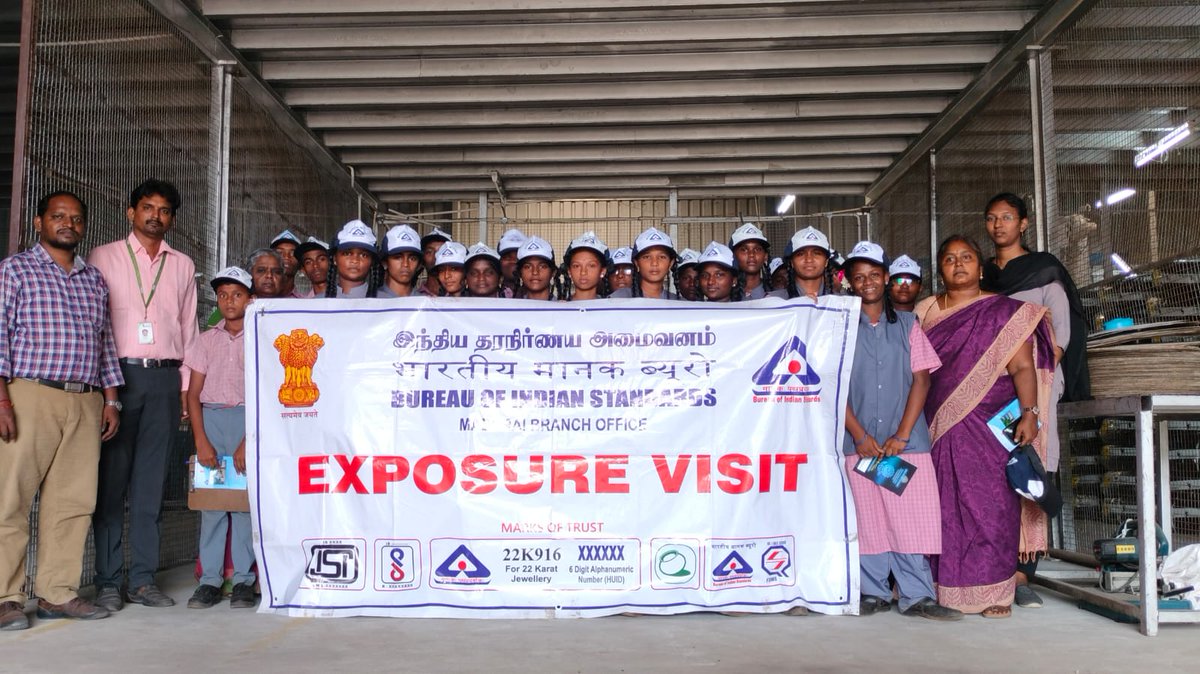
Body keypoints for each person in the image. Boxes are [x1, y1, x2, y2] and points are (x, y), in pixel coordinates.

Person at [914, 235, 1055, 619]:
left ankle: (995, 592)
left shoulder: (1004, 313)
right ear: (939, 269)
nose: (958, 264)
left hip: (992, 425)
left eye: (966, 257)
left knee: (992, 504)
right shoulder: (925, 311)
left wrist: (1029, 413)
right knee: (943, 506)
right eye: (949, 259)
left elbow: (1023, 367)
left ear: (980, 266)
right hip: (938, 424)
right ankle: (943, 588)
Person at [0, 192, 123, 630]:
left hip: (86, 400)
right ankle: (5, 597)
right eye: (58, 216)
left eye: (75, 218)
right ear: (39, 222)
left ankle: (57, 592)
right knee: (11, 498)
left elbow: (105, 343)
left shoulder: (94, 280)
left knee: (73, 502)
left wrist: (110, 399)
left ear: (84, 226)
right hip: (30, 394)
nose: (68, 223)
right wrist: (2, 400)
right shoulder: (15, 271)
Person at [89, 178, 199, 611]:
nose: (156, 215)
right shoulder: (103, 257)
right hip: (118, 378)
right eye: (148, 207)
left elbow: (189, 330)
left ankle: (142, 579)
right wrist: (103, 390)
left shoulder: (184, 266)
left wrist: (187, 392)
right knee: (111, 483)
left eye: (165, 210)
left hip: (165, 381)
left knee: (151, 484)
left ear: (173, 218)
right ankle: (107, 581)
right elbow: (94, 326)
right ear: (130, 212)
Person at [980, 191, 1091, 608]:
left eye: (1007, 217)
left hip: (1039, 378)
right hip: (991, 384)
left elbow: (1061, 334)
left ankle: (1027, 567)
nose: (998, 226)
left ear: (1023, 223)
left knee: (1035, 459)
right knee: (994, 466)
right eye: (991, 219)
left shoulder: (1045, 271)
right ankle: (996, 559)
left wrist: (1038, 377)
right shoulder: (983, 275)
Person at [840, 241, 961, 622]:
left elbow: (921, 382)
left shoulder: (909, 325)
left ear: (886, 278)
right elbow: (833, 384)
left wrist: (902, 435)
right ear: (849, 283)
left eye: (874, 275)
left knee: (911, 517)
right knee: (867, 518)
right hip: (859, 443)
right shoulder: (839, 328)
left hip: (904, 444)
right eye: (858, 277)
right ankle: (872, 591)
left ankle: (917, 595)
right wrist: (858, 434)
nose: (868, 283)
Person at [183, 266, 256, 610]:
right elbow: (193, 394)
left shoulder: (260, 337)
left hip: (247, 422)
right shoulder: (206, 339)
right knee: (212, 505)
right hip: (211, 420)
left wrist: (248, 441)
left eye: (237, 294)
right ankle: (209, 581)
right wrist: (201, 439)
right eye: (223, 295)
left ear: (250, 299)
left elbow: (265, 392)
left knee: (243, 507)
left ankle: (243, 580)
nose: (229, 301)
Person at [769, 226, 838, 301]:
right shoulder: (773, 301)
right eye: (800, 254)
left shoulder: (841, 303)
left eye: (817, 253)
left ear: (826, 261)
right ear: (792, 262)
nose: (809, 259)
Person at [609, 227, 678, 299]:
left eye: (662, 257)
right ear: (636, 263)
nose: (654, 263)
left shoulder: (679, 303)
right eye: (647, 257)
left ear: (671, 263)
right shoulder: (618, 298)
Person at [325, 220, 381, 298]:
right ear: (335, 259)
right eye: (347, 253)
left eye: (364, 255)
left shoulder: (388, 303)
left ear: (372, 261)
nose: (355, 260)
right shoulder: (316, 303)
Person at [558, 232, 609, 301]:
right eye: (576, 266)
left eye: (591, 265)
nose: (583, 272)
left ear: (603, 271)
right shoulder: (559, 308)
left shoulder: (612, 309)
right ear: (569, 272)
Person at [376, 224, 422, 298]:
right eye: (398, 257)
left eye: (412, 258)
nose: (405, 264)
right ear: (385, 262)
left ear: (419, 265)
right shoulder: (369, 302)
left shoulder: (427, 304)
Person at [729, 223, 770, 299]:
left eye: (757, 249)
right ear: (733, 256)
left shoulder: (777, 295)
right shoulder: (725, 296)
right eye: (744, 250)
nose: (751, 254)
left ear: (765, 256)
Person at [516, 237, 557, 301]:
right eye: (527, 267)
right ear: (520, 272)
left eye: (542, 266)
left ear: (553, 272)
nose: (535, 272)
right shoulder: (512, 308)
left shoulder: (565, 309)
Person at [418, 227, 452, 297]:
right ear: (422, 258)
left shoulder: (462, 297)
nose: (436, 256)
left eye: (441, 251)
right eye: (429, 252)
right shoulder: (415, 298)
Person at [268, 229, 302, 298]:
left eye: (293, 253)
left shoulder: (305, 302)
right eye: (280, 252)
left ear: (300, 263)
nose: (286, 257)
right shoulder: (255, 300)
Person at [496, 228, 527, 298]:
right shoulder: (490, 295)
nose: (513, 261)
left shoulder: (541, 296)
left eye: (518, 257)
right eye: (507, 257)